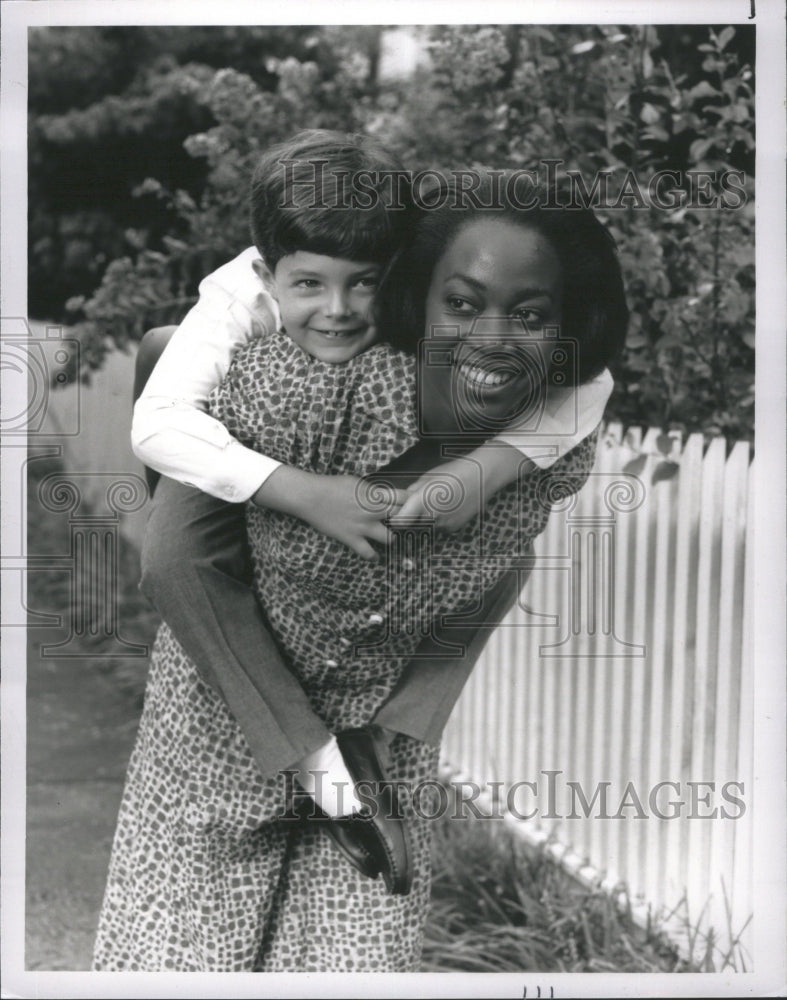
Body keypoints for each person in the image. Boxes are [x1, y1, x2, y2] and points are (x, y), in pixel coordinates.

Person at [92, 165, 627, 972]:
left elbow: (589, 388)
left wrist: (486, 470)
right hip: (219, 721)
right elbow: (166, 444)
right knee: (178, 537)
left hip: (378, 716)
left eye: (526, 315)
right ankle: (321, 765)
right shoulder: (271, 345)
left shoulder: (532, 405)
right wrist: (304, 492)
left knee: (502, 547)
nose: (490, 333)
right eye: (463, 303)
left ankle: (369, 749)